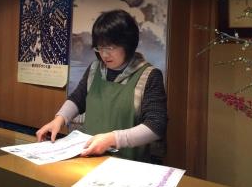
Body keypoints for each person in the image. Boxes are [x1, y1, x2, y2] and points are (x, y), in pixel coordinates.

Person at [36, 9, 167, 162]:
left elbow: (156, 126)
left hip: (128, 164)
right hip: (89, 158)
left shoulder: (149, 75)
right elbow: (78, 98)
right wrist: (59, 119)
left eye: (110, 48)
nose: (104, 54)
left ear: (128, 44)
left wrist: (113, 139)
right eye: (100, 47)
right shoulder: (94, 69)